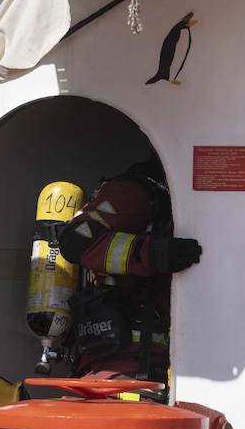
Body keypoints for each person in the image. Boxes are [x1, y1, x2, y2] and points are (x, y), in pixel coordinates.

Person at [56, 161, 201, 385]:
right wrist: (153, 254)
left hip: (156, 367)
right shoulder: (136, 193)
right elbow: (77, 240)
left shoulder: (188, 204)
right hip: (120, 369)